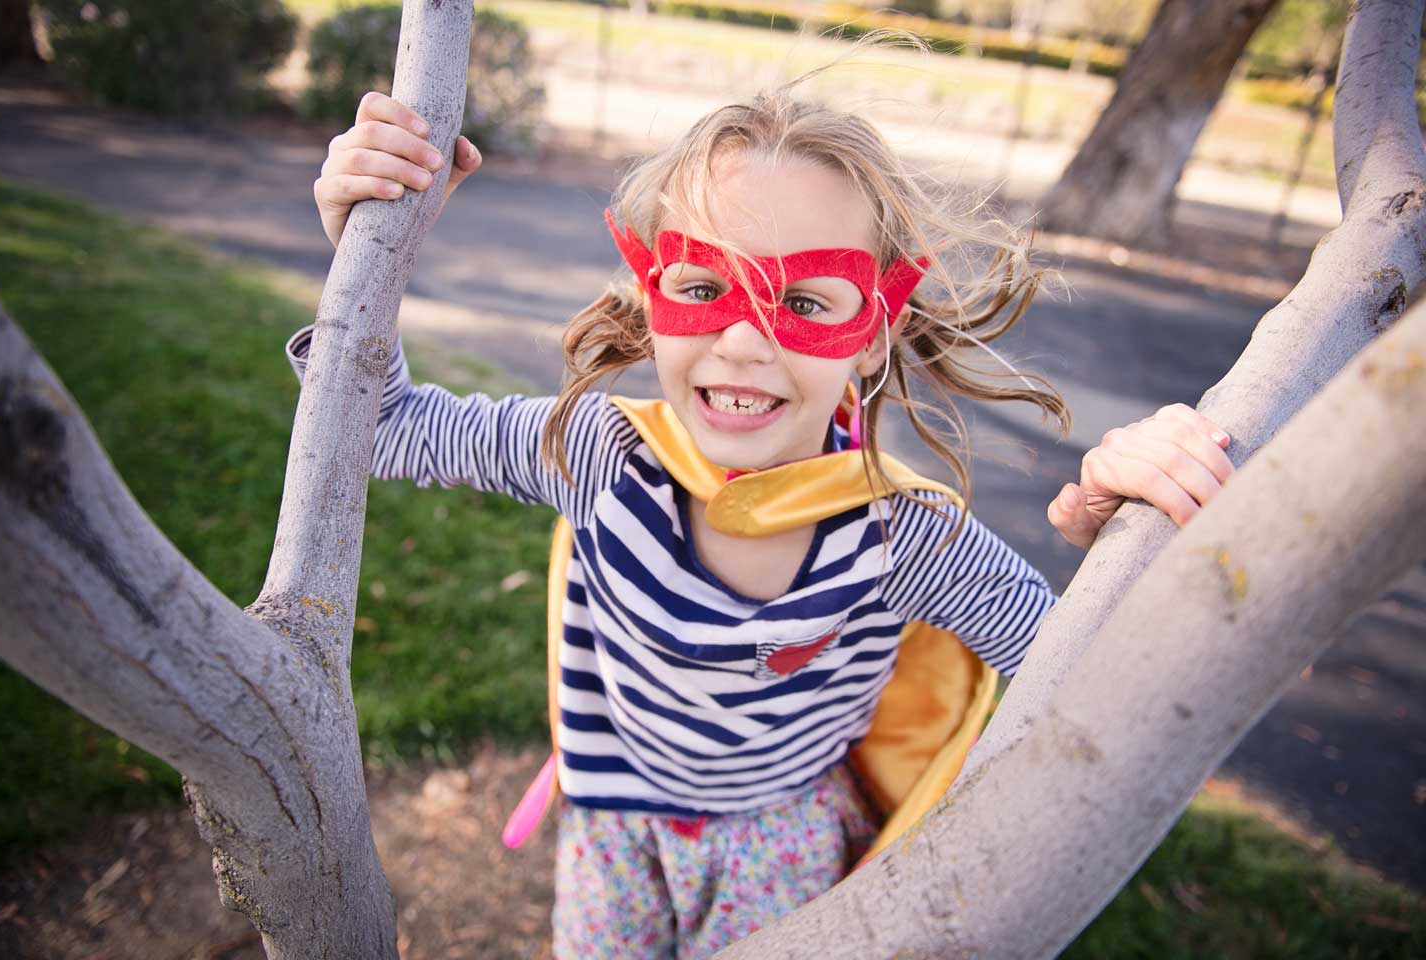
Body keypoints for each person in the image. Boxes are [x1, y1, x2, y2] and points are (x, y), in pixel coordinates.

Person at [299, 86, 1234, 959]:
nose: (745, 343)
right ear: (651, 301)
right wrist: (368, 260)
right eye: (705, 287)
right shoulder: (599, 456)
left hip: (777, 848)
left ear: (870, 330)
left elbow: (1094, 682)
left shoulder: (899, 540)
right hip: (609, 824)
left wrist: (1119, 522)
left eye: (804, 302)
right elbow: (385, 426)